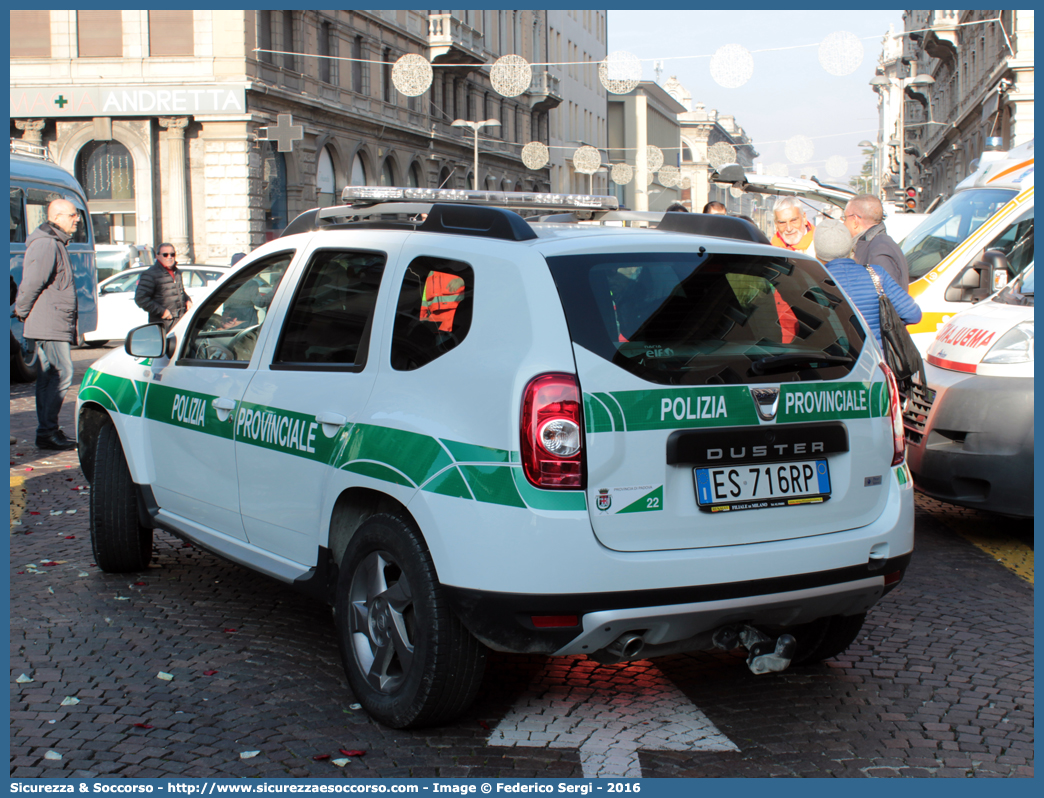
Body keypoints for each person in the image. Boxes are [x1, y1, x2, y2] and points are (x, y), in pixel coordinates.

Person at [13, 199, 81, 451]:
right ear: (58, 216)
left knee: (48, 376)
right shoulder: (46, 243)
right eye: (73, 215)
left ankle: (46, 432)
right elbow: (32, 282)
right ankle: (47, 432)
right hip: (48, 322)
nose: (77, 219)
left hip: (50, 320)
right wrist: (21, 309)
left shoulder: (53, 242)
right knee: (62, 373)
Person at [813, 219, 921, 350]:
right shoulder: (876, 273)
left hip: (838, 364)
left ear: (817, 251)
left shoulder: (812, 281)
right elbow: (913, 314)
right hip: (878, 360)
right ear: (851, 246)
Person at [844, 194, 910, 291]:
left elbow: (888, 298)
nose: (844, 223)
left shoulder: (880, 249)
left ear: (855, 220)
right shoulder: (876, 243)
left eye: (844, 218)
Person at [135, 243, 192, 333]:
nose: (169, 257)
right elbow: (141, 298)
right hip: (163, 325)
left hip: (180, 322)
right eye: (165, 255)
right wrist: (163, 312)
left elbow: (178, 290)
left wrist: (187, 299)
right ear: (158, 256)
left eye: (172, 254)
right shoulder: (150, 274)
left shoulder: (176, 272)